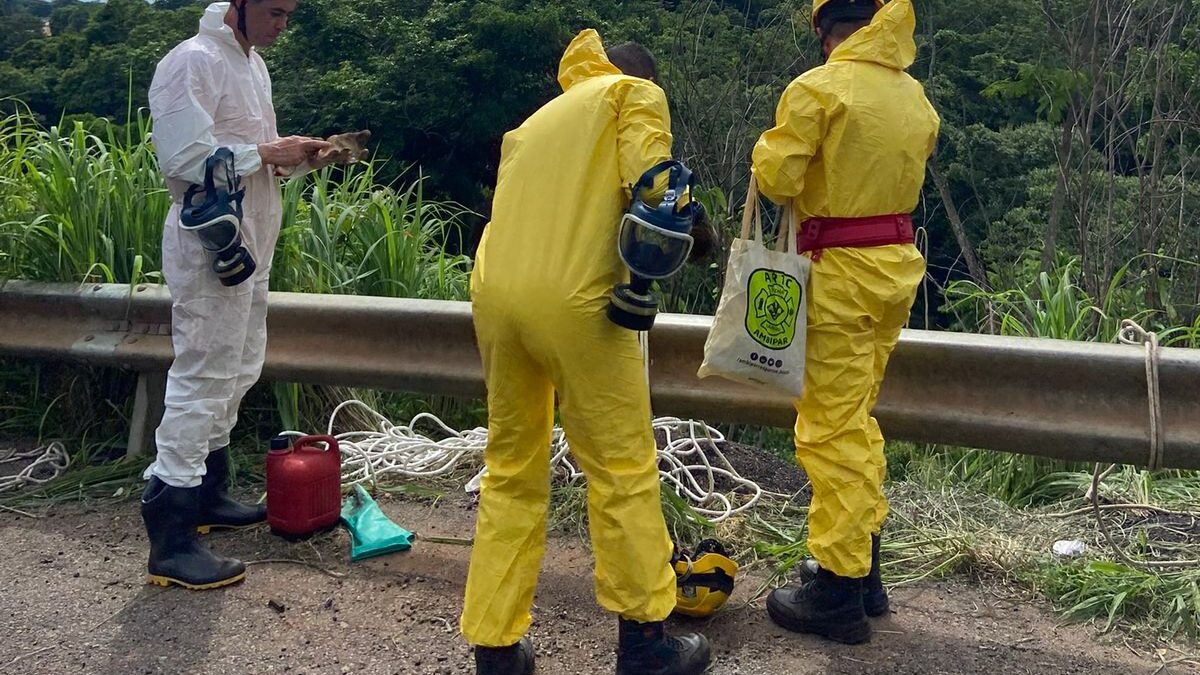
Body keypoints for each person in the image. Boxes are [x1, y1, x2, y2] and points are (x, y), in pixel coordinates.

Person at [460, 29, 712, 675]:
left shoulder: (535, 122)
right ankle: (646, 643)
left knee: (512, 470)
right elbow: (657, 189)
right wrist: (700, 236)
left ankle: (495, 648)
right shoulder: (634, 94)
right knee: (621, 468)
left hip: (496, 298)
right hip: (576, 301)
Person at [750, 0, 940, 645]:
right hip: (895, 268)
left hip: (837, 271)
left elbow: (776, 178)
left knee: (829, 430)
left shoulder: (820, 87)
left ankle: (835, 590)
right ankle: (862, 571)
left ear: (825, 30)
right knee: (855, 418)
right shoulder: (914, 96)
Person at [142, 0, 331, 591]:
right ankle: (169, 532)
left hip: (255, 237)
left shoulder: (254, 67)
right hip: (210, 241)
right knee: (203, 372)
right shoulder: (190, 62)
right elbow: (183, 157)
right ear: (238, 6)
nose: (282, 24)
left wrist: (293, 158)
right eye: (273, 11)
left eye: (289, 14)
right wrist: (265, 153)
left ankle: (207, 494)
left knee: (240, 366)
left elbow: (255, 159)